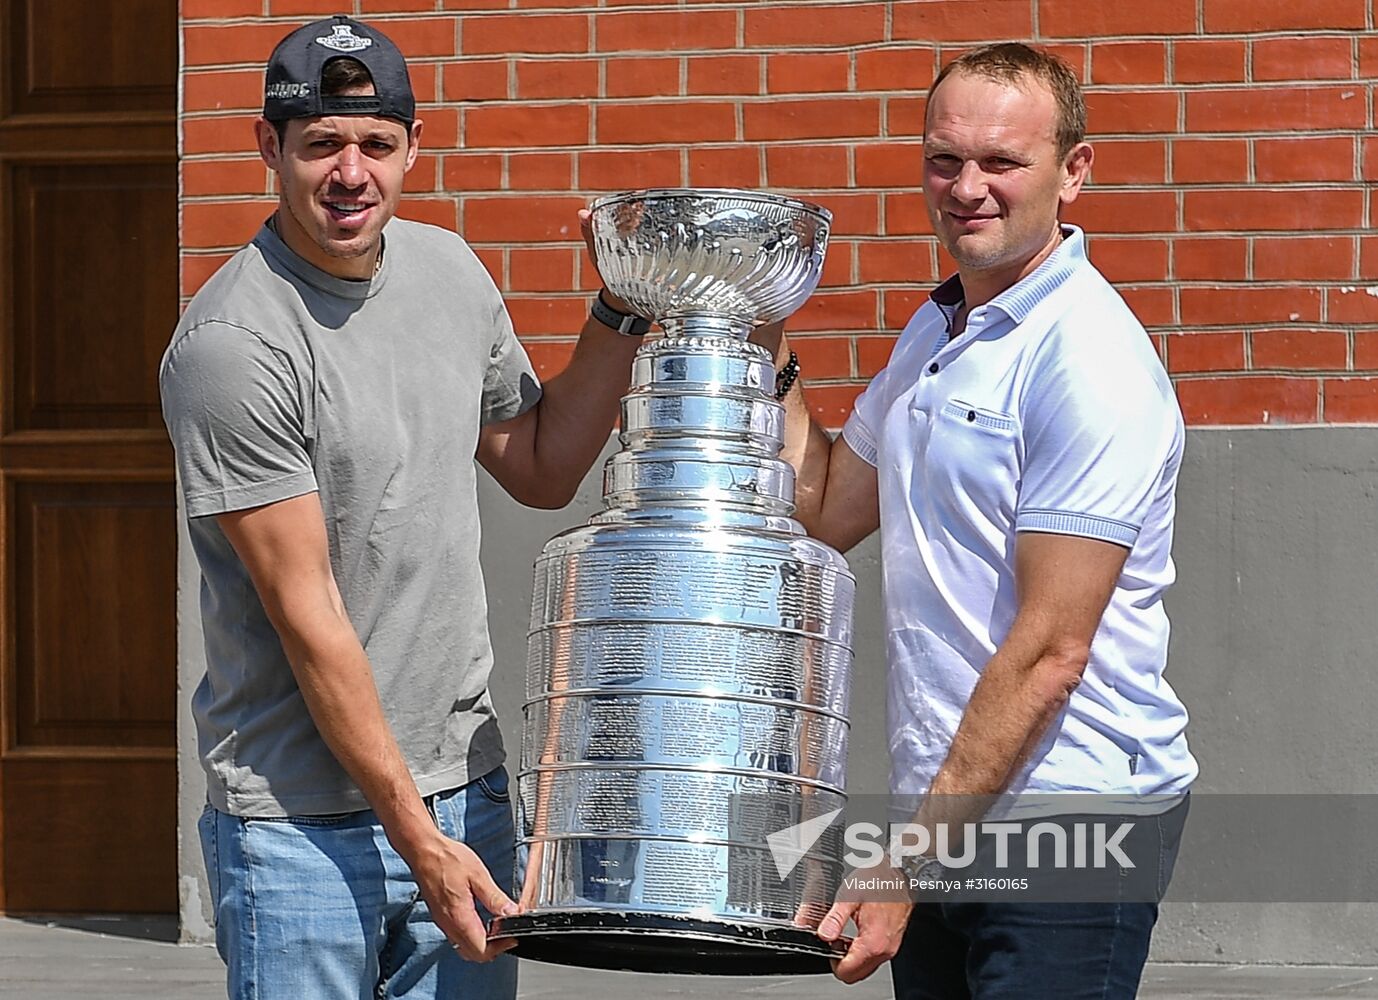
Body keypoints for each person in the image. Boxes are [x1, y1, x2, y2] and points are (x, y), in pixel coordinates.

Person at [159, 16, 649, 1000]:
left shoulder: (449, 272)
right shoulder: (233, 344)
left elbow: (544, 466)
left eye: (376, 143)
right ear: (269, 147)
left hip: (467, 793)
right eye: (321, 144)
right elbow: (311, 621)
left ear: (411, 148)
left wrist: (623, 306)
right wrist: (417, 839)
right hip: (300, 830)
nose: (350, 173)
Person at [757, 43, 1196, 997]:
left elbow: (1051, 652)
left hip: (1072, 816)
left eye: (1002, 163)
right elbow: (827, 509)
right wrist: (769, 343)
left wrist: (901, 869)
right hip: (949, 802)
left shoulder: (1089, 363)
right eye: (944, 160)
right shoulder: (941, 328)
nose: (968, 189)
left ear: (1073, 172)